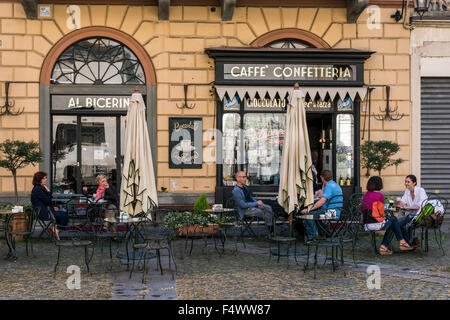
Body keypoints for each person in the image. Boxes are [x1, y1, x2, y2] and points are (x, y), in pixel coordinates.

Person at [361, 176, 414, 255]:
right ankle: (398, 242)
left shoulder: (366, 195)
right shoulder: (379, 195)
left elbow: (362, 210)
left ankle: (388, 246)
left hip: (366, 223)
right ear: (379, 184)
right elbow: (381, 214)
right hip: (376, 223)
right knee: (393, 221)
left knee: (393, 220)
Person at [300, 170, 343, 243]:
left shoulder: (329, 186)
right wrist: (323, 184)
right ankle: (323, 234)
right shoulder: (333, 184)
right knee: (317, 214)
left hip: (331, 213)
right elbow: (321, 195)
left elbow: (321, 201)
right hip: (335, 211)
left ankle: (312, 238)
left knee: (308, 215)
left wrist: (309, 209)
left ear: (322, 178)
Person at [232, 171, 275, 236]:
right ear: (237, 178)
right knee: (265, 212)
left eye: (245, 177)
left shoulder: (245, 187)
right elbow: (243, 205)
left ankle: (271, 231)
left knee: (268, 207)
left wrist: (257, 203)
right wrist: (256, 203)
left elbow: (250, 198)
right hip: (245, 211)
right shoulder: (236, 191)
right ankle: (271, 232)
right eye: (243, 177)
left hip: (252, 207)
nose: (245, 179)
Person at [31, 171, 69, 240]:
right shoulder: (39, 189)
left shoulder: (37, 188)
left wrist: (53, 208)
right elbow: (48, 200)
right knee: (65, 215)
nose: (46, 179)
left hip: (45, 211)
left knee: (61, 213)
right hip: (45, 214)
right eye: (45, 178)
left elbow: (44, 202)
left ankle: (55, 230)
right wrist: (48, 192)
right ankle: (56, 230)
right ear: (40, 179)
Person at [396, 174, 428, 247]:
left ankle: (410, 242)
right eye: (405, 182)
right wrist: (400, 202)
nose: (406, 183)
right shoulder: (407, 192)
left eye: (408, 182)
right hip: (411, 214)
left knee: (405, 224)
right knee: (399, 224)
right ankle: (410, 242)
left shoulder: (420, 190)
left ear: (414, 183)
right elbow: (403, 202)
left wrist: (407, 207)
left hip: (421, 215)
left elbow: (421, 206)